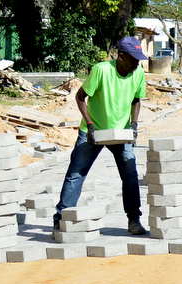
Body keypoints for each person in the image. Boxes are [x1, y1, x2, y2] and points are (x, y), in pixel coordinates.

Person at [53, 37, 147, 235]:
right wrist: (89, 124)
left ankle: (134, 220)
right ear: (121, 56)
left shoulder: (138, 73)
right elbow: (80, 97)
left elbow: (136, 100)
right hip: (93, 131)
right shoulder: (101, 70)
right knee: (76, 173)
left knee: (130, 175)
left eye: (139, 60)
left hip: (120, 131)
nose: (137, 63)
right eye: (133, 59)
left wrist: (134, 123)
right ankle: (62, 218)